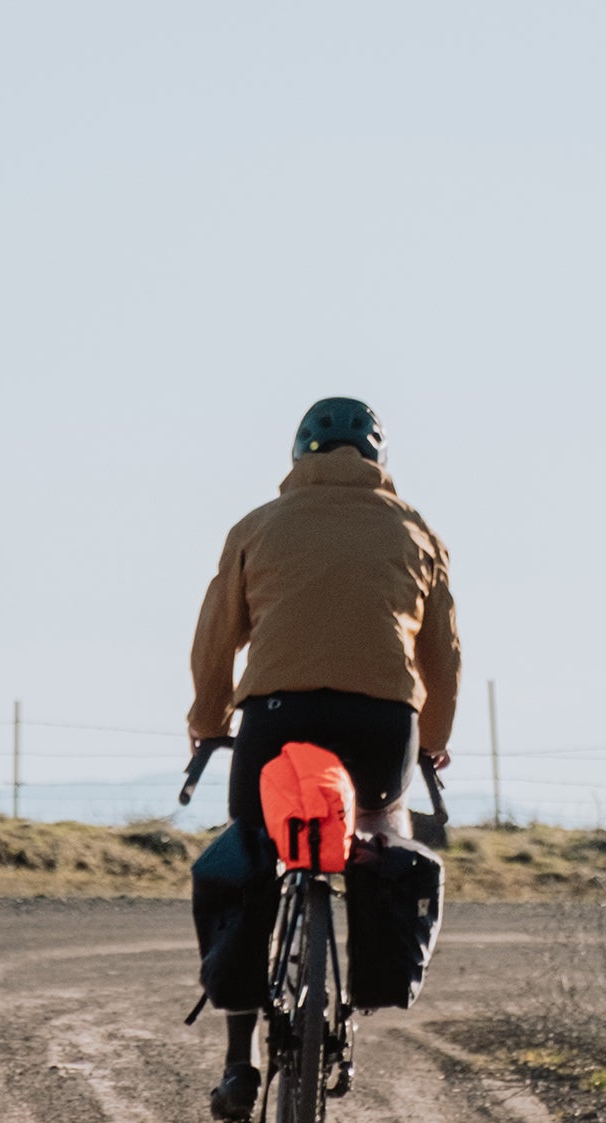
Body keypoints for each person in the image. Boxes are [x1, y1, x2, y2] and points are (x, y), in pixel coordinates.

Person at [187, 397, 461, 1120]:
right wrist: (432, 738)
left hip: (278, 718)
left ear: (298, 455)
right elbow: (443, 655)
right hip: (381, 722)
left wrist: (207, 720)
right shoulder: (418, 531)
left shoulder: (256, 526)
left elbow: (218, 639)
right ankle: (359, 972)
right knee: (378, 825)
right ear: (378, 460)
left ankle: (237, 1060)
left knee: (252, 847)